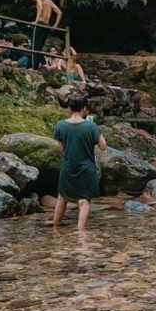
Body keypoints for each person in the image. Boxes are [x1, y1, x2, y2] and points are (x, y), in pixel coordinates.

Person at [52, 93, 106, 230]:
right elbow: (103, 146)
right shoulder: (91, 126)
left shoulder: (60, 125)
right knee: (84, 201)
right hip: (86, 168)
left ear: (69, 108)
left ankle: (56, 228)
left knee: (62, 197)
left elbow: (58, 146)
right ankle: (81, 234)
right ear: (84, 109)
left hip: (68, 166)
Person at [28, 0, 63, 69]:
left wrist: (36, 22)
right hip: (47, 25)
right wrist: (55, 26)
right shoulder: (50, 1)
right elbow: (59, 13)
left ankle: (34, 67)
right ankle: (43, 63)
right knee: (39, 47)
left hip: (40, 23)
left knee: (34, 46)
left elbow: (40, 7)